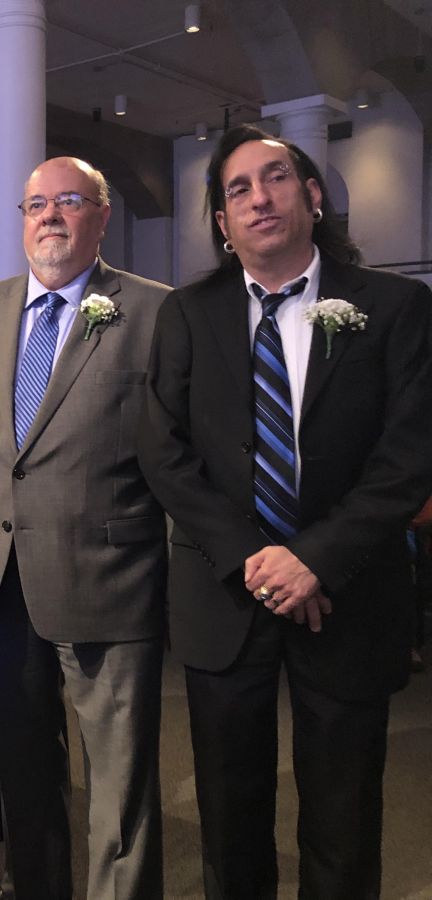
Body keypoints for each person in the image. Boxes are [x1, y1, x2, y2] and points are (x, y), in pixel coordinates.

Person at [136, 124, 432, 899]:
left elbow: (408, 458)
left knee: (344, 819)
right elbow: (164, 452)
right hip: (225, 594)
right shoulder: (188, 314)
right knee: (229, 819)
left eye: (274, 178)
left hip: (348, 593)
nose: (258, 197)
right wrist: (252, 559)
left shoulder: (397, 306)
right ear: (224, 224)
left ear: (313, 195)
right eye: (237, 189)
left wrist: (314, 558)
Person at [0, 157, 169, 900]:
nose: (51, 216)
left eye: (70, 201)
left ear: (102, 215)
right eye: (36, 204)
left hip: (112, 584)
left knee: (120, 787)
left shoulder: (157, 312)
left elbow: (179, 458)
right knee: (24, 778)